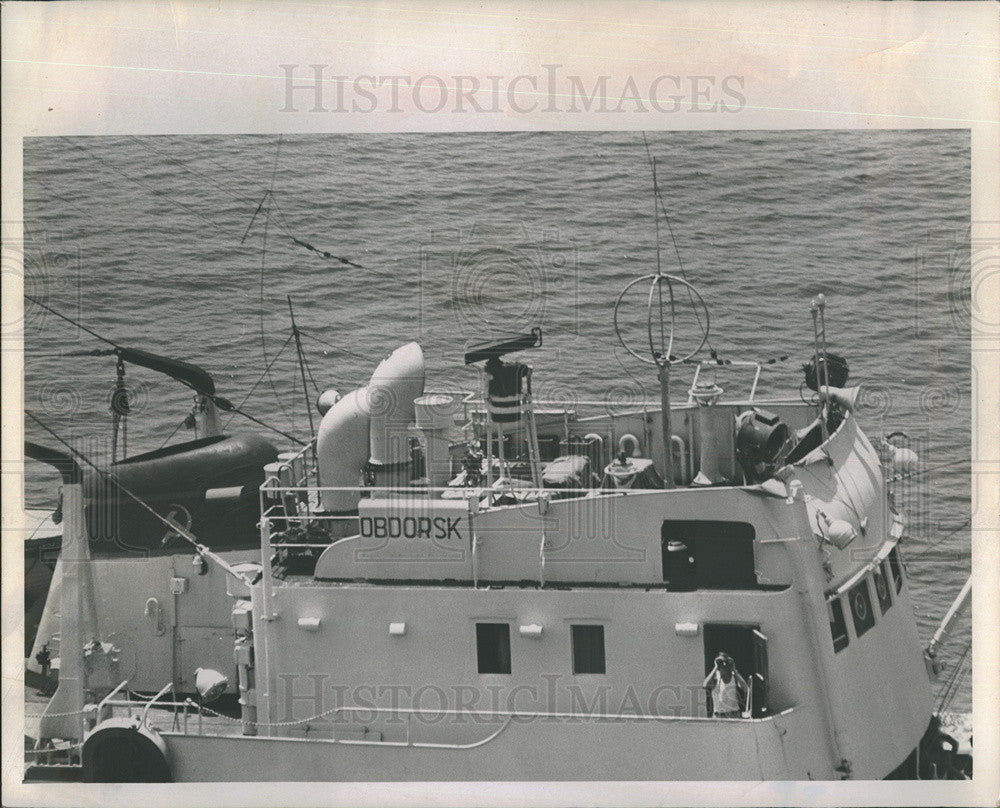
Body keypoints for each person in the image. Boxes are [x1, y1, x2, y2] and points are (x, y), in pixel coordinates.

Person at [703, 652, 748, 718]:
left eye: (726, 662)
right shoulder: (715, 678)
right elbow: (705, 685)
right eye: (721, 662)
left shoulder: (734, 677)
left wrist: (734, 670)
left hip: (734, 714)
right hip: (719, 715)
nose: (724, 665)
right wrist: (715, 667)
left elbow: (745, 688)